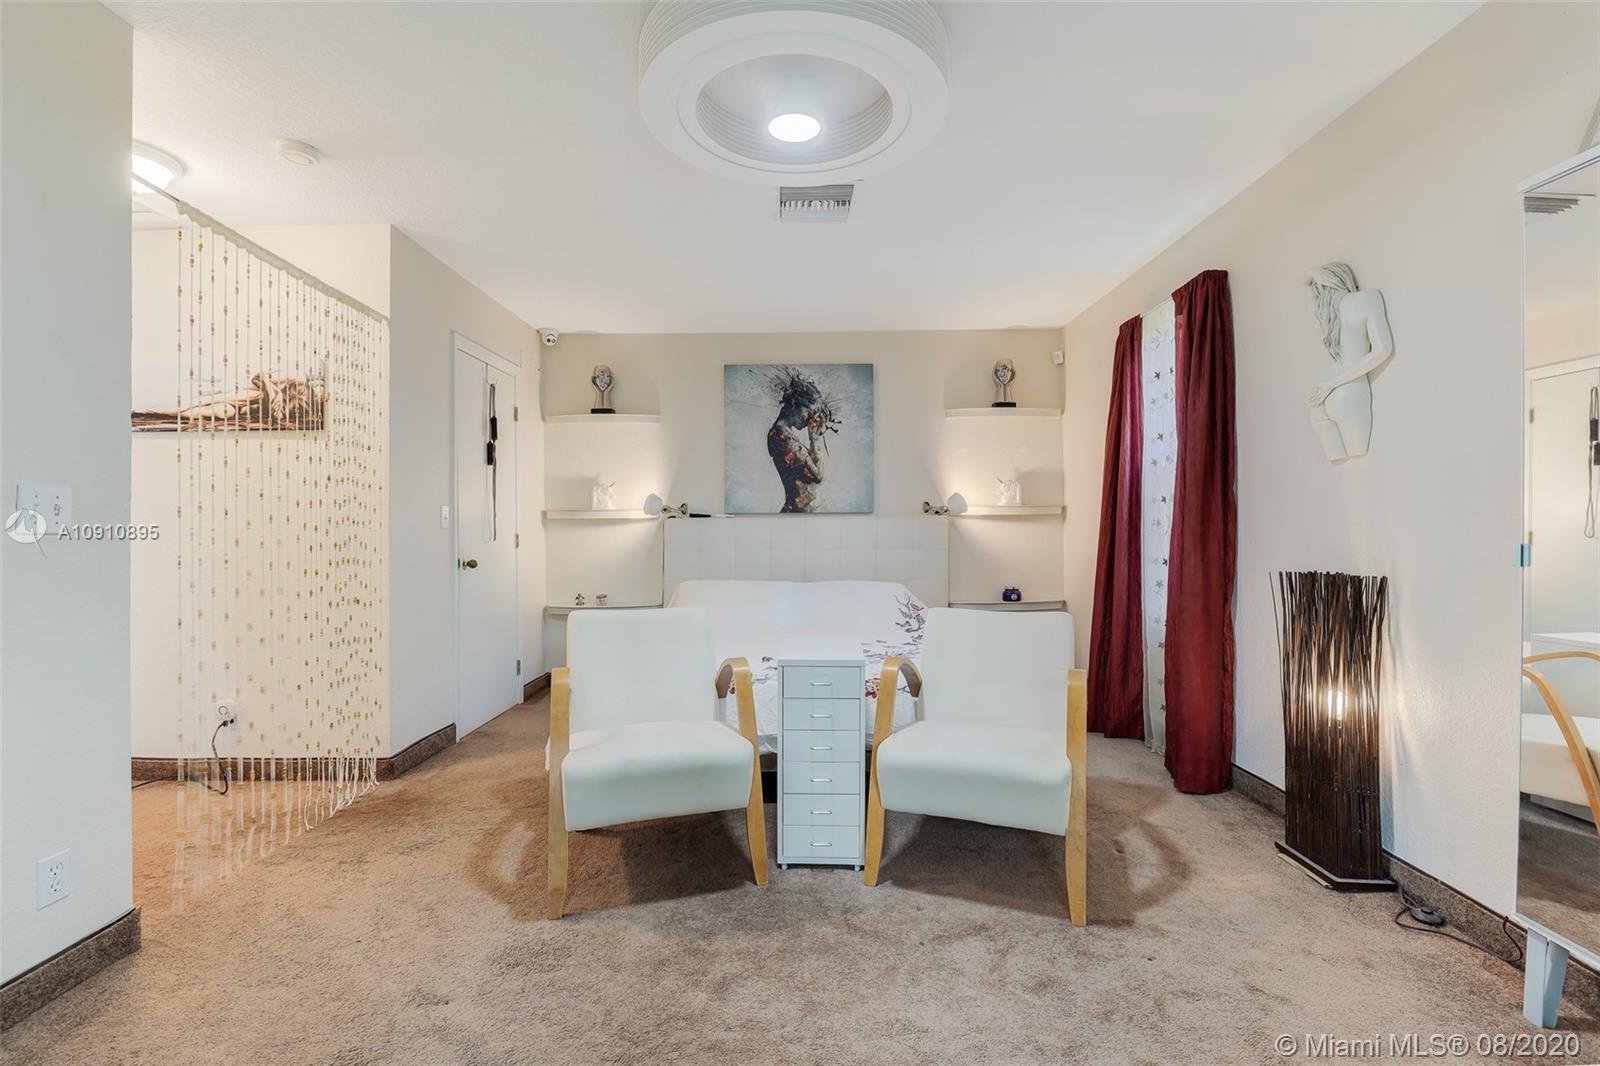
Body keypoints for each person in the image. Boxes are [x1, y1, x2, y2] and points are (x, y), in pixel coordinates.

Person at [1306, 262, 1394, 463]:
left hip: (1321, 394)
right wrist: (1332, 385)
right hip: (1348, 391)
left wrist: (1328, 384)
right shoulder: (1366, 299)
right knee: (1363, 461)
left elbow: (1309, 287)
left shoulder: (1326, 312)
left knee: (1343, 468)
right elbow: (1383, 350)